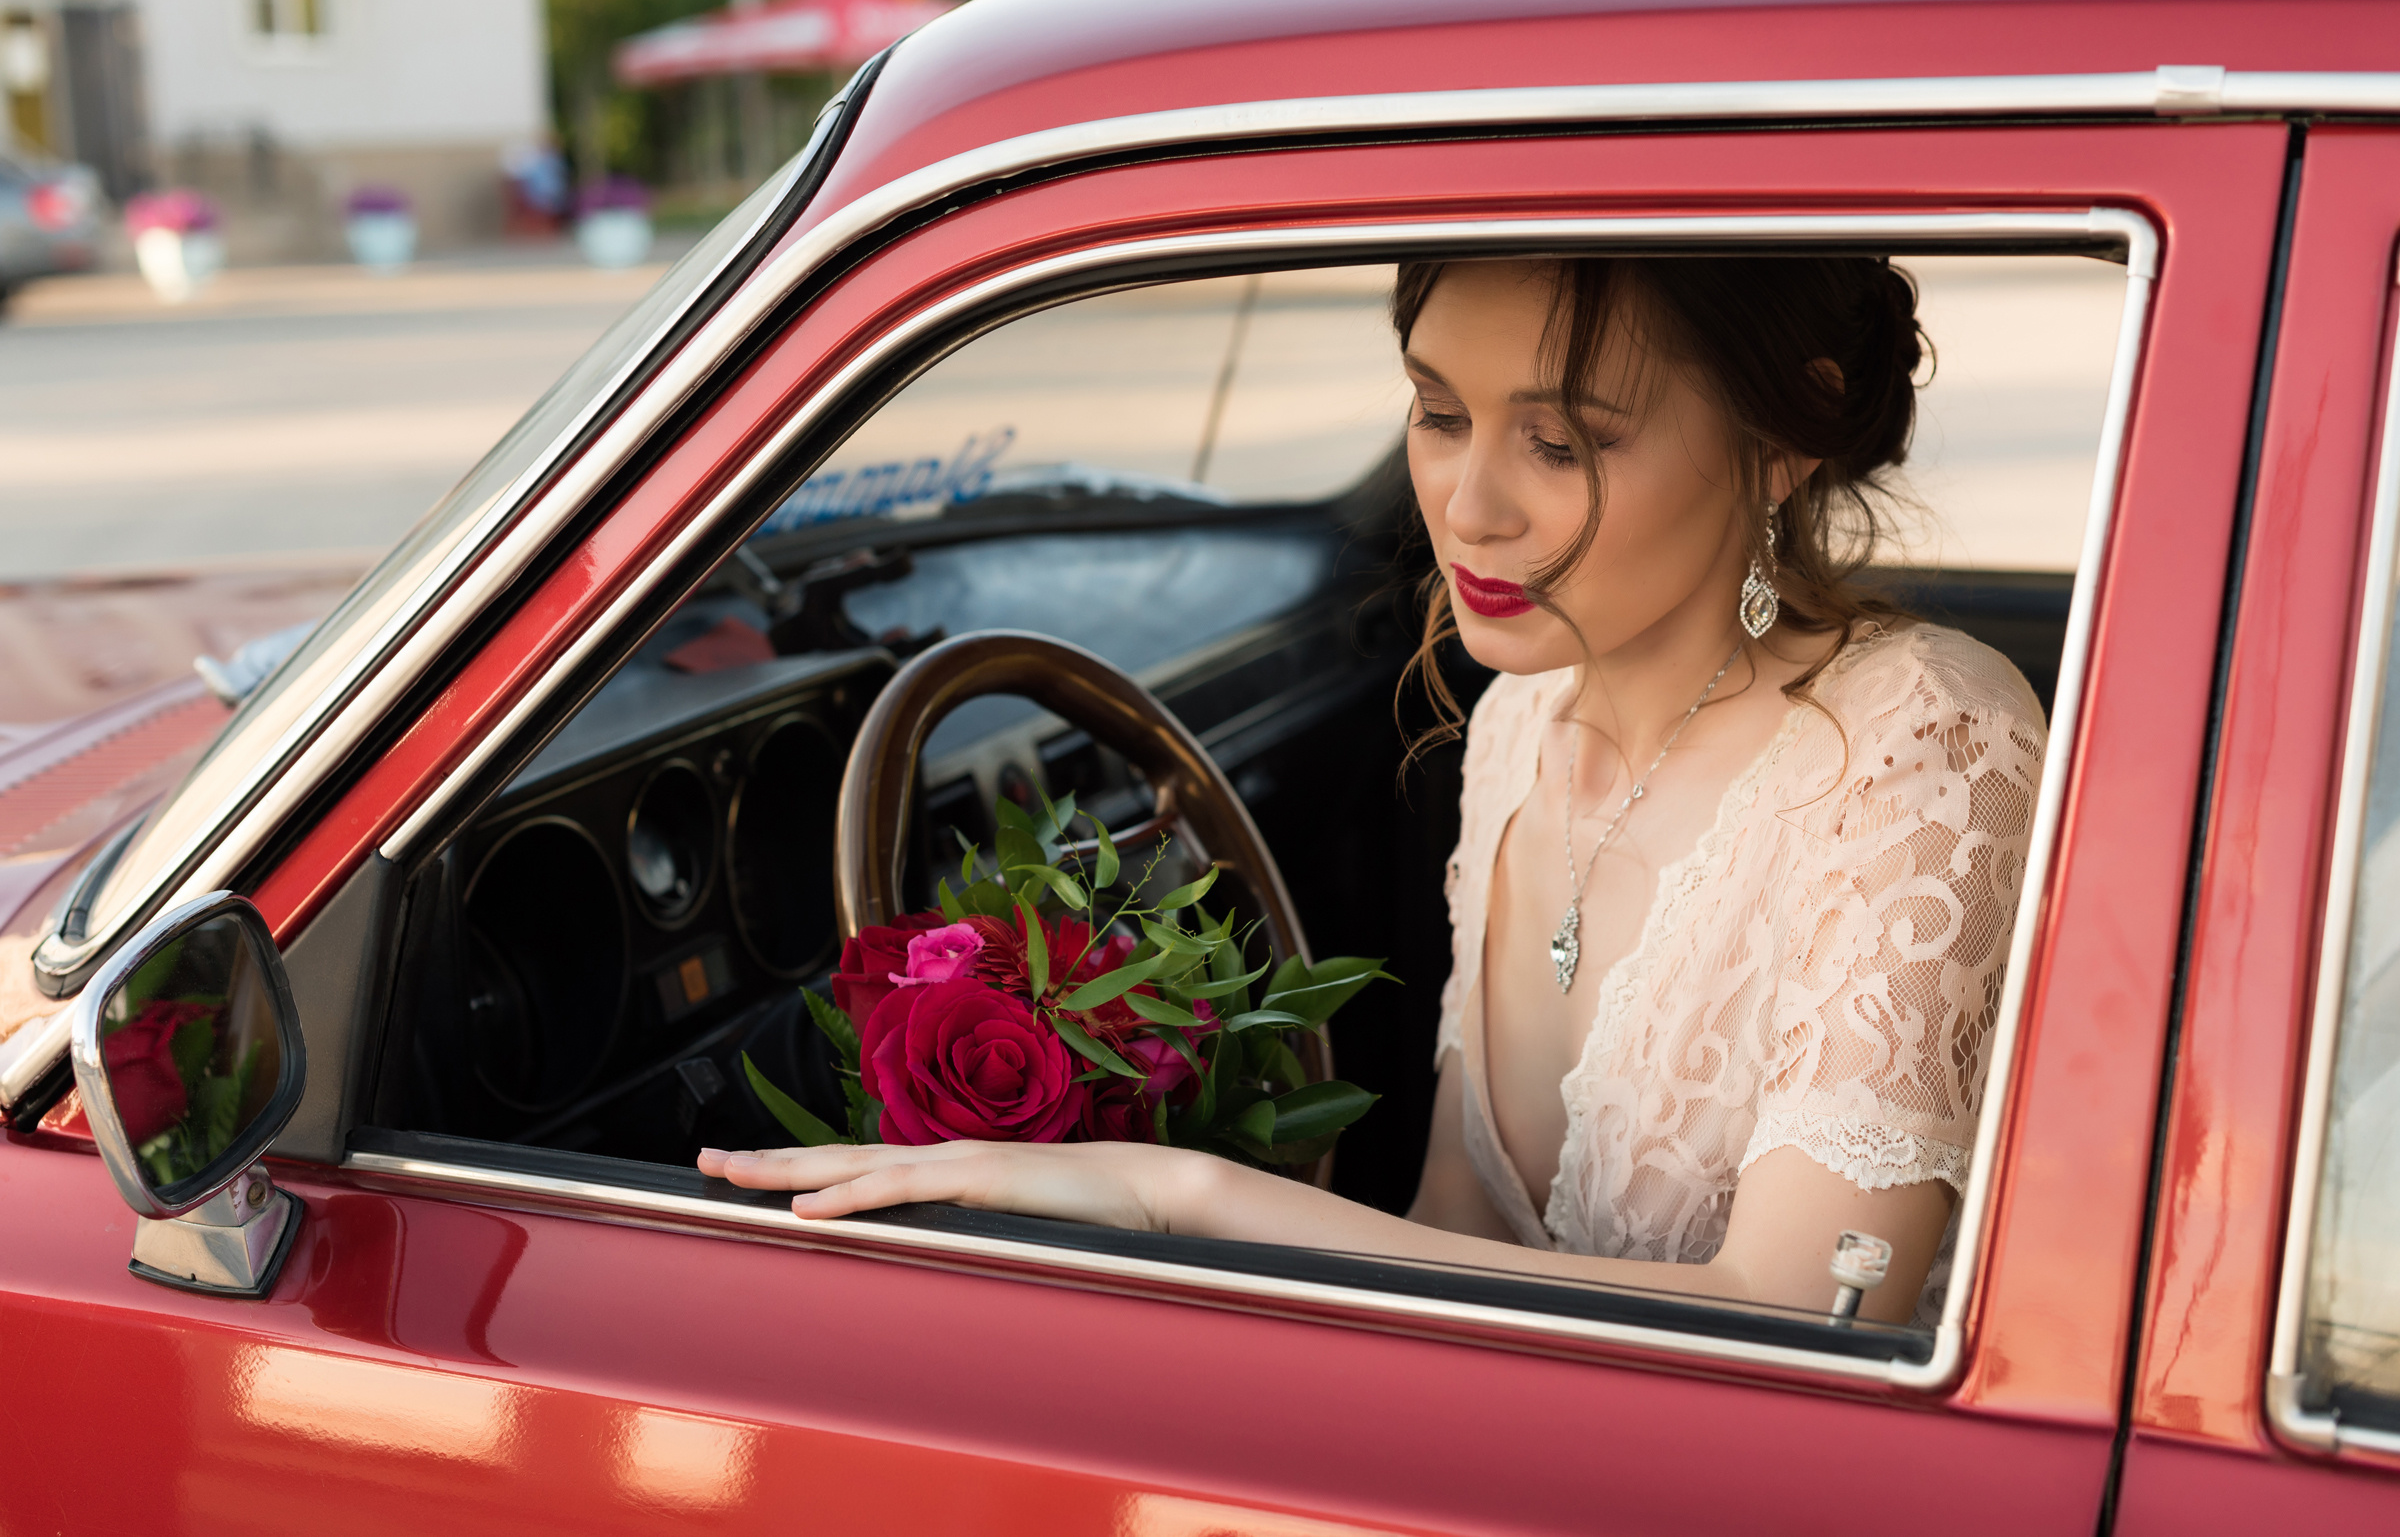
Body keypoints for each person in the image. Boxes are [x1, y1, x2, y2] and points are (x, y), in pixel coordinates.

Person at [700, 255, 2047, 1326]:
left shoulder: (1923, 736)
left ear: (1783, 436)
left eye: (1563, 443)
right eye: (1441, 415)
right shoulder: (1520, 721)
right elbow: (1454, 1238)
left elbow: (1801, 1323)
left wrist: (1180, 1195)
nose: (1467, 508)